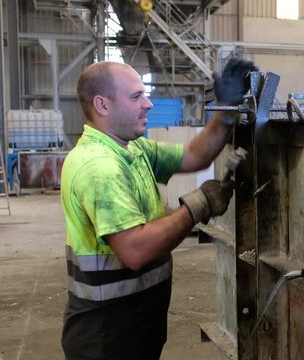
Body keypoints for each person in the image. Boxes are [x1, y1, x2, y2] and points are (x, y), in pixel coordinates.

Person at [60, 58, 257, 360]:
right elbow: (134, 250)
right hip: (105, 332)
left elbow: (194, 155)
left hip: (136, 319)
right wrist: (199, 205)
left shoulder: (132, 148)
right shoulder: (99, 166)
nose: (149, 104)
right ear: (102, 105)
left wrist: (225, 112)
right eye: (137, 96)